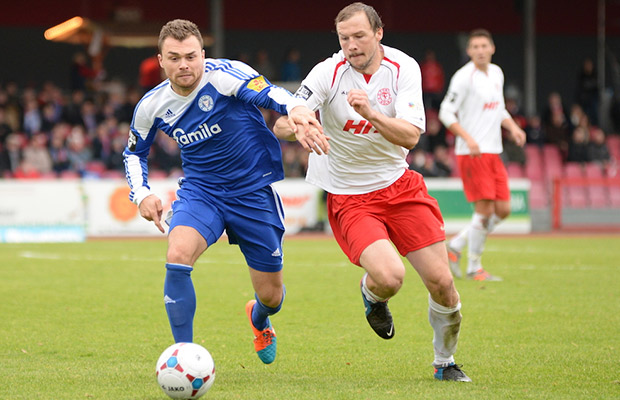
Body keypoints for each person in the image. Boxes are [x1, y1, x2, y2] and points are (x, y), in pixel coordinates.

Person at [274, 3, 470, 382]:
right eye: (344, 38)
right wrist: (299, 125)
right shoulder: (327, 72)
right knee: (390, 277)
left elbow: (410, 136)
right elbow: (284, 120)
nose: (351, 45)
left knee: (443, 284)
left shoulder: (403, 67)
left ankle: (444, 362)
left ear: (378, 33)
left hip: (399, 186)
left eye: (359, 36)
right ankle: (373, 295)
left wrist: (372, 114)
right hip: (351, 197)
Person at [123, 19, 329, 365]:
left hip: (252, 193)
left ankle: (259, 319)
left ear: (203, 55)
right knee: (177, 254)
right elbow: (133, 153)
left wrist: (295, 109)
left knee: (272, 297)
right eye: (174, 58)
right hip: (201, 192)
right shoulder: (151, 105)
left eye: (191, 56)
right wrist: (142, 194)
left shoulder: (224, 76)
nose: (184, 65)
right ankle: (183, 357)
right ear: (161, 61)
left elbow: (271, 93)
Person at [439, 29, 526, 281]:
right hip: (473, 153)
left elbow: (498, 109)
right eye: (475, 47)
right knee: (485, 210)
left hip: (493, 151)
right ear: (468, 51)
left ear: (492, 48)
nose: (479, 50)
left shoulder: (497, 73)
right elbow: (445, 112)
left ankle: (456, 245)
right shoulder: (463, 77)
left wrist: (513, 127)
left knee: (504, 209)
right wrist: (468, 138)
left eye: (483, 46)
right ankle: (474, 267)